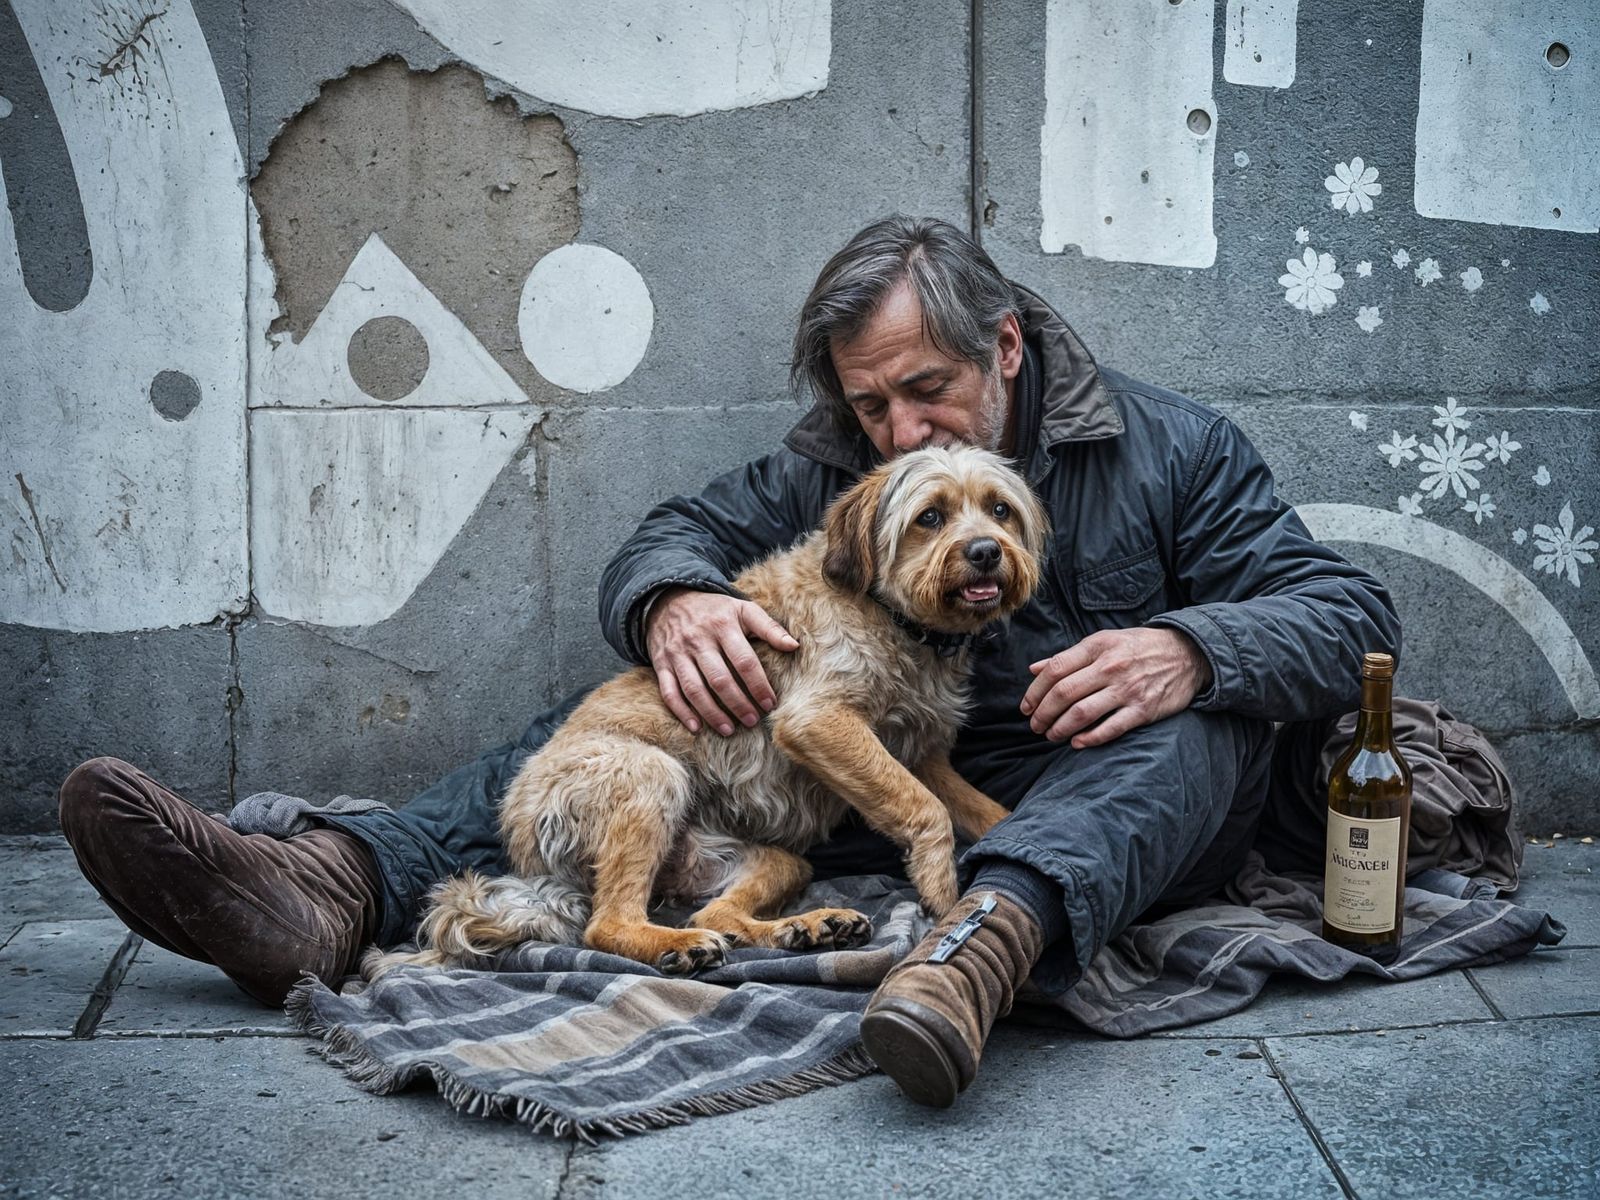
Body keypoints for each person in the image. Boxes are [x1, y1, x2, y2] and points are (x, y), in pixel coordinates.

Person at [58, 216, 1400, 1109]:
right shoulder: (844, 467)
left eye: (926, 390)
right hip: (868, 792)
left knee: (1199, 727)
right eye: (869, 404)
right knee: (661, 698)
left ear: (1006, 347)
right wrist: (674, 606)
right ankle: (331, 885)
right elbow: (677, 533)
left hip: (1111, 808)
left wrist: (1191, 646)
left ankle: (989, 947)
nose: (897, 431)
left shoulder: (1173, 453)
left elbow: (1352, 613)